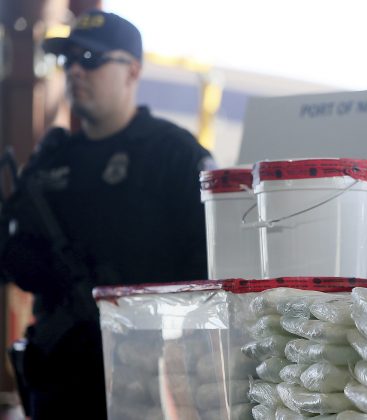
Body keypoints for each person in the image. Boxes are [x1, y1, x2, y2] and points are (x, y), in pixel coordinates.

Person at [0, 10, 214, 419]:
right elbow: (19, 265)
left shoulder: (173, 155)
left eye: (92, 59)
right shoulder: (51, 161)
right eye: (69, 60)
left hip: (148, 377)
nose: (76, 70)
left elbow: (205, 265)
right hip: (60, 377)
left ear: (132, 70)